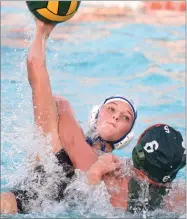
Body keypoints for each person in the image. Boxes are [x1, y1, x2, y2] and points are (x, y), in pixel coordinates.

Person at [0, 18, 136, 214]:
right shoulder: (55, 134)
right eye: (111, 109)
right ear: (95, 115)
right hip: (25, 203)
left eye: (126, 118)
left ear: (127, 137)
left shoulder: (118, 173)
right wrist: (41, 32)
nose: (116, 117)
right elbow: (37, 71)